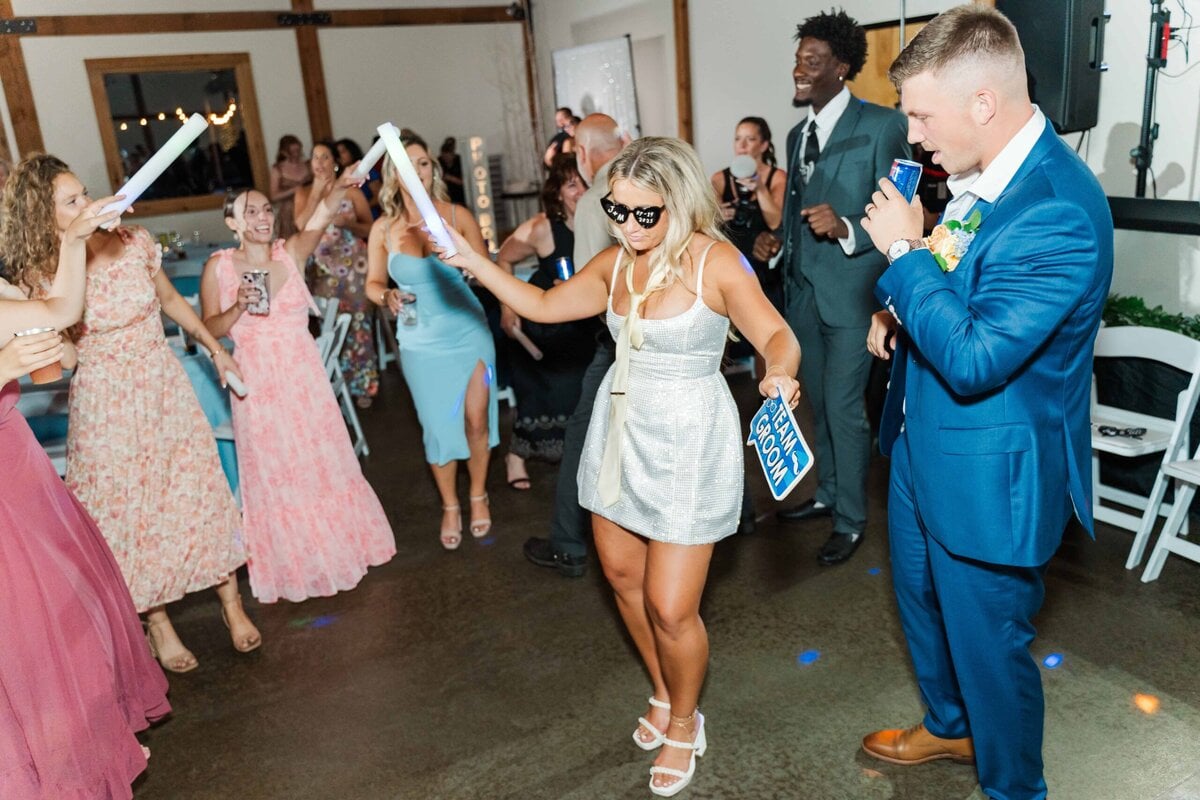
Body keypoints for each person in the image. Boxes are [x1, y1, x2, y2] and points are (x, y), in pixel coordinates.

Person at [432, 136, 801, 797]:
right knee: (625, 583)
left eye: (643, 213)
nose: (628, 225)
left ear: (679, 202)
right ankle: (663, 690)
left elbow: (778, 334)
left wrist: (779, 373)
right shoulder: (614, 263)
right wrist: (474, 262)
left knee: (671, 607)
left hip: (687, 441)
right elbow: (544, 306)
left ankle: (685, 721)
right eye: (617, 210)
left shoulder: (716, 262)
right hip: (620, 433)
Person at [858, 7, 1113, 798]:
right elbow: (963, 277)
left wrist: (902, 252)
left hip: (988, 469)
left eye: (922, 117)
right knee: (921, 604)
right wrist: (900, 307)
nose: (914, 138)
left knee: (988, 648)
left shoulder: (1057, 210)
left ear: (983, 102)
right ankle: (948, 726)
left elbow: (974, 360)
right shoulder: (983, 177)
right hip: (921, 443)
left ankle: (1014, 787)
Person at [3, 154, 259, 674]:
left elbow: (171, 301)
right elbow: (63, 355)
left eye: (84, 192)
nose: (87, 203)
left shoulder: (135, 241)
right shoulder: (43, 274)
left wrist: (215, 348)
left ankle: (233, 605)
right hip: (106, 404)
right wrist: (55, 348)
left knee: (195, 491)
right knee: (130, 514)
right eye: (72, 201)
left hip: (163, 386)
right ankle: (159, 624)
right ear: (47, 217)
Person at [0, 192, 171, 798]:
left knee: (70, 616)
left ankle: (83, 748)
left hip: (21, 473)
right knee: (25, 638)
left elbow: (60, 308)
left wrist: (74, 239)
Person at [200, 173, 396, 603]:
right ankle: (295, 565)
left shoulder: (289, 253)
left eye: (266, 209)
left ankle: (340, 551)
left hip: (304, 380)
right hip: (257, 385)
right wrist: (237, 307)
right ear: (232, 223)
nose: (262, 217)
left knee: (320, 463)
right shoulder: (219, 267)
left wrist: (342, 184)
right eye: (250, 211)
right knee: (276, 472)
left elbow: (322, 216)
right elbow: (207, 329)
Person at [762, 9, 910, 566]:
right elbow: (797, 211)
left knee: (845, 406)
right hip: (801, 292)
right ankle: (827, 492)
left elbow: (902, 206)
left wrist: (847, 227)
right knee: (818, 403)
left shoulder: (882, 125)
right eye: (798, 60)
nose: (799, 69)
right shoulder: (796, 134)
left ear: (841, 67)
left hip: (853, 294)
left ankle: (850, 520)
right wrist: (777, 242)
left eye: (813, 60)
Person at [364, 132, 498, 551]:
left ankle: (478, 494)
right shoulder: (383, 229)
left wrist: (471, 266)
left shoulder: (457, 216)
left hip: (468, 329)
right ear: (393, 175)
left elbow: (487, 273)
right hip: (420, 342)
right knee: (438, 427)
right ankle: (450, 505)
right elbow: (372, 284)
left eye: (423, 162)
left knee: (477, 418)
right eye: (407, 164)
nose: (417, 170)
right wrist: (385, 296)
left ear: (432, 170)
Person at [522, 113, 627, 577]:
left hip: (619, 342)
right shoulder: (657, 178)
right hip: (677, 332)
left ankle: (568, 544)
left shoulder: (594, 200)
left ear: (582, 154)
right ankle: (739, 516)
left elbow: (592, 292)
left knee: (583, 436)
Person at [495, 153, 594, 490]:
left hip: (583, 324)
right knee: (536, 396)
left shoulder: (605, 224)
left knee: (583, 394)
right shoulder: (542, 228)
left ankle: (580, 458)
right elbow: (503, 259)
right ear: (557, 193)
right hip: (543, 326)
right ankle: (516, 456)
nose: (580, 191)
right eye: (571, 185)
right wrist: (508, 309)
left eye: (585, 183)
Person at [295, 140, 379, 408]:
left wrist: (349, 224)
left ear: (335, 163)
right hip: (321, 271)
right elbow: (301, 225)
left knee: (358, 325)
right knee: (329, 327)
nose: (319, 162)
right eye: (314, 157)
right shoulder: (303, 193)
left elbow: (372, 228)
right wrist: (316, 191)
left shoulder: (352, 192)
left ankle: (363, 385)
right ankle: (333, 385)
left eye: (325, 157)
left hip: (354, 268)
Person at [709, 117, 785, 314]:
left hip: (764, 267)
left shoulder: (777, 177)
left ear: (764, 145)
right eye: (737, 139)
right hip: (731, 263)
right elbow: (707, 224)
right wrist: (718, 215)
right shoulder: (719, 178)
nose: (742, 145)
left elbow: (776, 222)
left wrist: (760, 189)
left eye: (750, 139)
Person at [270, 134, 311, 239]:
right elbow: (274, 196)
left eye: (298, 151)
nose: (296, 154)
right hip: (289, 213)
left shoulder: (308, 165)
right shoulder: (278, 169)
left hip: (307, 207)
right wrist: (294, 190)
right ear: (284, 152)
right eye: (292, 152)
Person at [336, 137, 384, 218]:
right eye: (337, 153)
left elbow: (379, 196)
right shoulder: (339, 176)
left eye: (343, 151)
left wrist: (360, 208)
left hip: (371, 216)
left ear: (352, 151)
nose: (339, 156)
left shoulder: (367, 170)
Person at [438, 137, 466, 206]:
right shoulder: (439, 162)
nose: (446, 159)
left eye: (448, 157)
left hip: (460, 195)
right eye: (444, 157)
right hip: (445, 195)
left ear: (452, 155)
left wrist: (451, 178)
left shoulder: (460, 161)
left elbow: (466, 182)